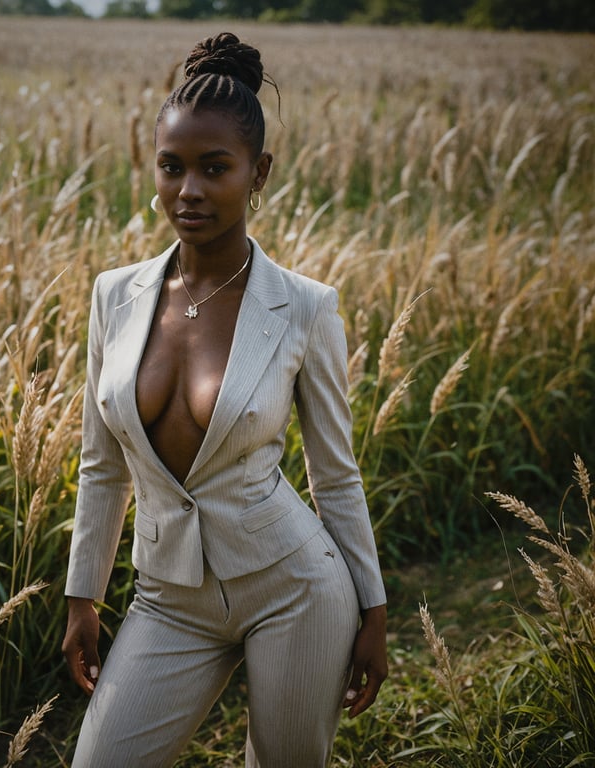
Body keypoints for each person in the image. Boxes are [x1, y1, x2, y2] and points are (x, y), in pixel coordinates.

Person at [61, 31, 388, 768]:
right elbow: (100, 465)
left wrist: (374, 608)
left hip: (294, 590)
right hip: (166, 597)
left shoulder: (305, 307)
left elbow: (335, 474)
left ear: (258, 171)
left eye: (215, 169)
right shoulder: (114, 296)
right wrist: (84, 594)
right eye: (172, 168)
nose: (190, 191)